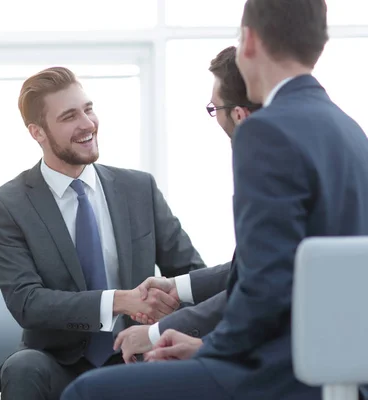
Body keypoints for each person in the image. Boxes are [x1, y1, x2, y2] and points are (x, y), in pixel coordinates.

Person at [61, 0, 368, 399]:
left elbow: (265, 283)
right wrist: (204, 346)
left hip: (280, 376)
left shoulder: (267, 131)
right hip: (340, 372)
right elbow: (295, 273)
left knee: (86, 393)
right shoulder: (350, 130)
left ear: (250, 41)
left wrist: (214, 355)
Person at [0, 66, 206, 400]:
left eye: (88, 109)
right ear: (37, 132)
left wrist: (161, 325)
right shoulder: (7, 204)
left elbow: (192, 275)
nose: (88, 124)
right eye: (70, 116)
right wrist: (120, 300)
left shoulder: (138, 189)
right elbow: (27, 301)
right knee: (23, 368)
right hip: (58, 360)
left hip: (140, 352)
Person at [115, 45, 262, 362]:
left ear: (239, 113)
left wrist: (154, 332)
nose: (216, 116)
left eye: (215, 108)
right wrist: (175, 288)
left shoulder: (267, 169)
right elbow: (247, 267)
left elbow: (254, 285)